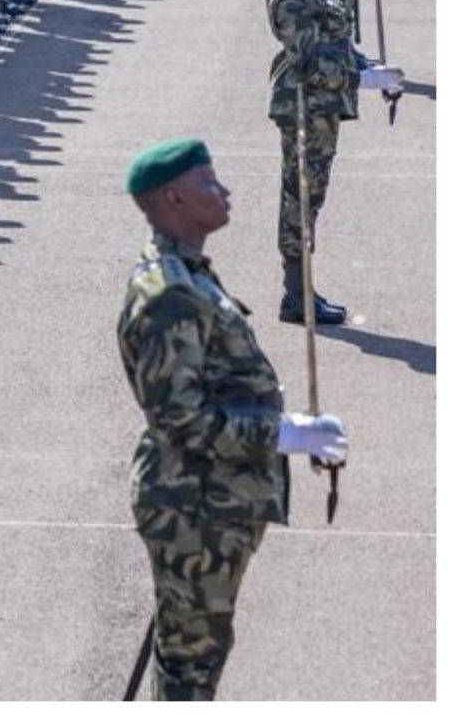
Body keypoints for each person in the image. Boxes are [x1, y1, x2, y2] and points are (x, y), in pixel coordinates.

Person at [117, 138, 346, 700]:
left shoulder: (188, 275)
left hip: (211, 499)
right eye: (208, 183)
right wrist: (284, 435)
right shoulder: (168, 295)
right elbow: (180, 421)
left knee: (194, 654)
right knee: (189, 668)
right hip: (193, 505)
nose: (224, 192)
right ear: (173, 198)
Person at [263, 0, 395, 327]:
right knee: (300, 196)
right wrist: (360, 77)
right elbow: (305, 61)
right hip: (305, 106)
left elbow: (332, 43)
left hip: (322, 106)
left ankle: (301, 290)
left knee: (310, 195)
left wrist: (363, 63)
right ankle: (296, 295)